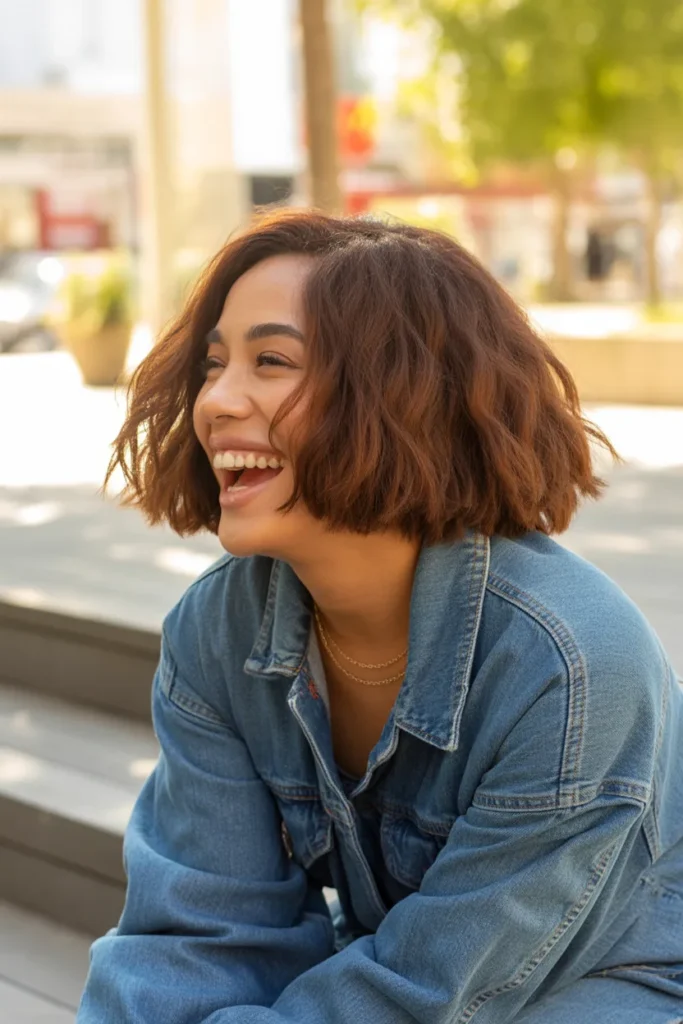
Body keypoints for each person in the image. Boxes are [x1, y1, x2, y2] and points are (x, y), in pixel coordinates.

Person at [77, 211, 683, 1024]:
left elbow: (425, 993)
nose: (215, 400)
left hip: (623, 979)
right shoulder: (217, 630)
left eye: (272, 361)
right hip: (394, 967)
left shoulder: (569, 667)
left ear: (400, 396)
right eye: (215, 363)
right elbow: (195, 933)